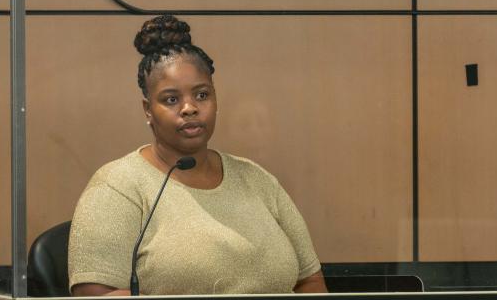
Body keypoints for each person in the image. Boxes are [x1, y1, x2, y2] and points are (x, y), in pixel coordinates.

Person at [68, 15, 327, 296]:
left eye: (202, 95)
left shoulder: (255, 178)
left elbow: (310, 281)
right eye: (171, 99)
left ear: (216, 99)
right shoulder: (118, 185)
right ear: (147, 110)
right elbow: (95, 295)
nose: (189, 108)